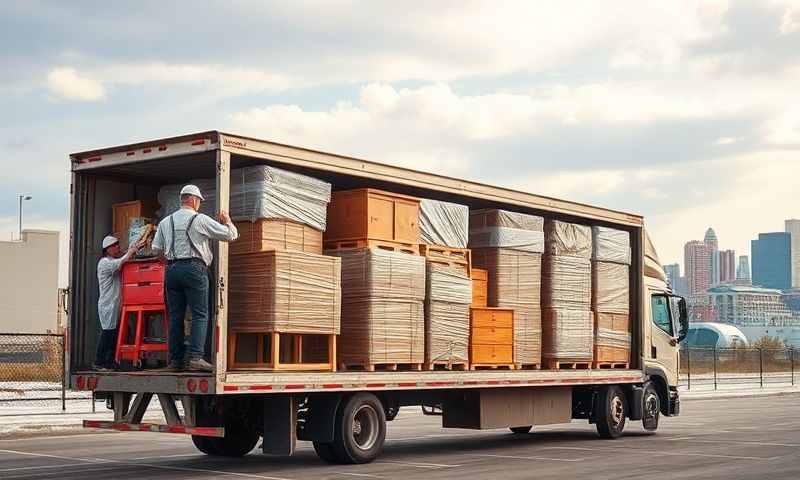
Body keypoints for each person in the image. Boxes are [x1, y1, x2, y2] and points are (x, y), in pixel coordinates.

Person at [152, 184, 238, 371]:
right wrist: (227, 220)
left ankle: (175, 361)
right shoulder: (199, 220)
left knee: (175, 317)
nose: (199, 204)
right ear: (193, 200)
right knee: (200, 314)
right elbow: (231, 235)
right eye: (199, 201)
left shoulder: (166, 222)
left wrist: (170, 262)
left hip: (172, 270)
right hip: (194, 269)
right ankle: (196, 358)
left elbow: (156, 249)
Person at [94, 235, 140, 371]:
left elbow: (122, 262)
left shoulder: (113, 261)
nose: (117, 248)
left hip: (115, 305)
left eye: (117, 245)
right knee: (108, 333)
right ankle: (99, 361)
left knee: (114, 334)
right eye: (114, 246)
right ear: (107, 249)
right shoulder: (105, 263)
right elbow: (120, 262)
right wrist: (130, 252)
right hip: (108, 305)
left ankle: (109, 361)